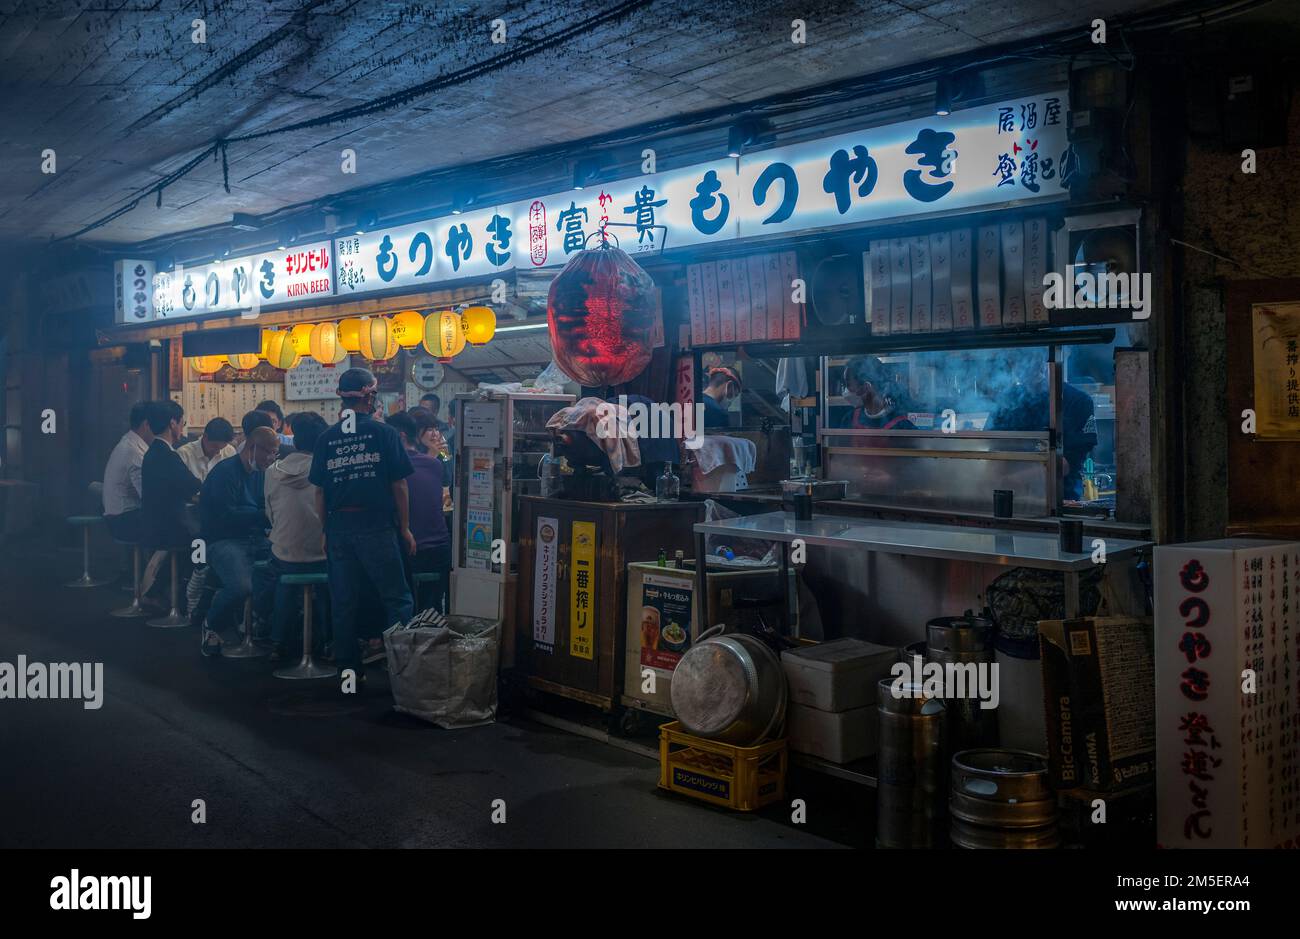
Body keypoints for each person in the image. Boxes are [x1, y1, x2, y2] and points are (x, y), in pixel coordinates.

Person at [310, 367, 415, 688]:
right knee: (396, 598)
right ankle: (405, 673)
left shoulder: (327, 438)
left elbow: (319, 492)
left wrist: (326, 530)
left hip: (339, 526)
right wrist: (406, 528)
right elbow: (399, 485)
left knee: (344, 602)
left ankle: (349, 674)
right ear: (369, 396)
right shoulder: (384, 434)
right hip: (375, 525)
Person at [198, 425, 279, 657]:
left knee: (287, 566)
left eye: (276, 453)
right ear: (253, 448)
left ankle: (257, 621)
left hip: (254, 538)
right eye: (269, 452)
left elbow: (265, 505)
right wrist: (264, 516)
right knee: (241, 586)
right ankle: (210, 624)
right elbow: (226, 516)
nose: (272, 458)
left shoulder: (261, 473)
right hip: (222, 540)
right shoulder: (225, 473)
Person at [263, 412, 329, 663]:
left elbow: (270, 515)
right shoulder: (328, 469)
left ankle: (278, 642)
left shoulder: (271, 471)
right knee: (333, 579)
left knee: (281, 576)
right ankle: (330, 640)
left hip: (284, 553)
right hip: (321, 554)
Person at [989, 357, 1098, 500]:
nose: (1029, 367)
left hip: (1060, 499)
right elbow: (993, 450)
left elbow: (1068, 463)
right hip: (1011, 498)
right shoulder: (1008, 400)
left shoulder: (1078, 401)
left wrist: (1016, 479)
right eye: (1020, 360)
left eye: (1036, 360)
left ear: (1045, 362)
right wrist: (990, 483)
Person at [387, 411, 452, 614]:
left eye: (435, 428)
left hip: (411, 550)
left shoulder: (392, 466)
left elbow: (446, 480)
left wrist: (442, 454)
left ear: (401, 436)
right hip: (440, 549)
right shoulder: (433, 462)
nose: (434, 434)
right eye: (429, 429)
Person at [140, 400, 201, 600]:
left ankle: (165, 590)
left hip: (154, 524)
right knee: (204, 541)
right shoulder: (167, 455)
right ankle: (184, 596)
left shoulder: (152, 452)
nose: (182, 427)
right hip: (168, 528)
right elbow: (192, 484)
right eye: (182, 422)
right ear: (173, 423)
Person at [102, 401, 154, 544]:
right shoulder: (134, 452)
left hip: (119, 518)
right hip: (124, 521)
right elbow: (148, 496)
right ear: (147, 425)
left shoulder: (128, 442)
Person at [838, 355, 917, 430]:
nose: (846, 390)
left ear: (866, 387)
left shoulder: (902, 425)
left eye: (848, 384)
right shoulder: (849, 419)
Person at [176, 417, 236, 483]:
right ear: (205, 437)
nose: (217, 452)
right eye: (214, 446)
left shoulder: (230, 452)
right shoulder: (184, 454)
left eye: (222, 448)